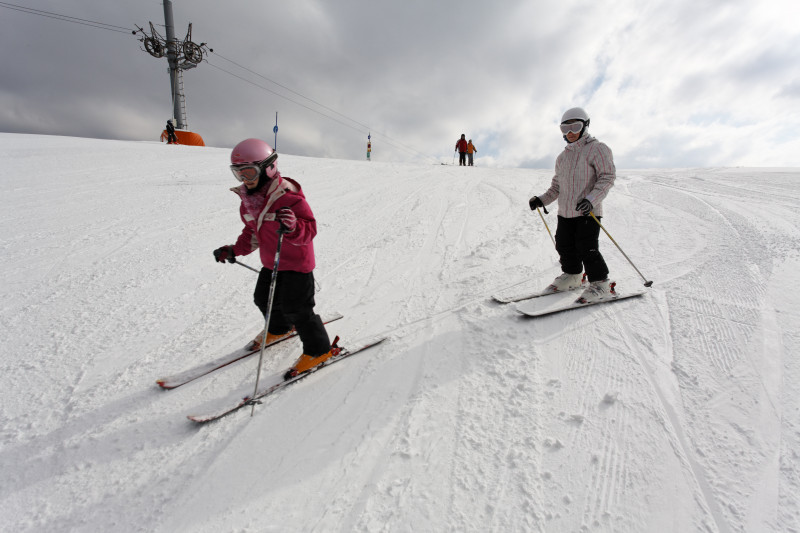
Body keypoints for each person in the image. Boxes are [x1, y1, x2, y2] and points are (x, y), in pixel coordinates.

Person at [213, 138, 337, 379]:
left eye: (249, 172)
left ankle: (319, 350)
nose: (245, 180)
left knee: (298, 309)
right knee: (263, 298)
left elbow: (310, 230)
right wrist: (233, 250)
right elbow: (252, 233)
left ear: (269, 167)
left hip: (297, 265)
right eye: (238, 174)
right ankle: (280, 329)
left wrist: (293, 227)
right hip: (271, 263)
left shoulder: (289, 197)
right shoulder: (248, 202)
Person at [528, 107, 616, 303]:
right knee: (564, 244)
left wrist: (591, 200)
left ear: (585, 126)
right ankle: (573, 275)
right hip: (565, 213)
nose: (569, 133)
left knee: (587, 247)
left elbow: (607, 177)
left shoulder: (597, 149)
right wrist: (542, 199)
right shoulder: (563, 157)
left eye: (575, 127)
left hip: (588, 212)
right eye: (564, 129)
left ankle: (601, 284)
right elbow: (557, 186)